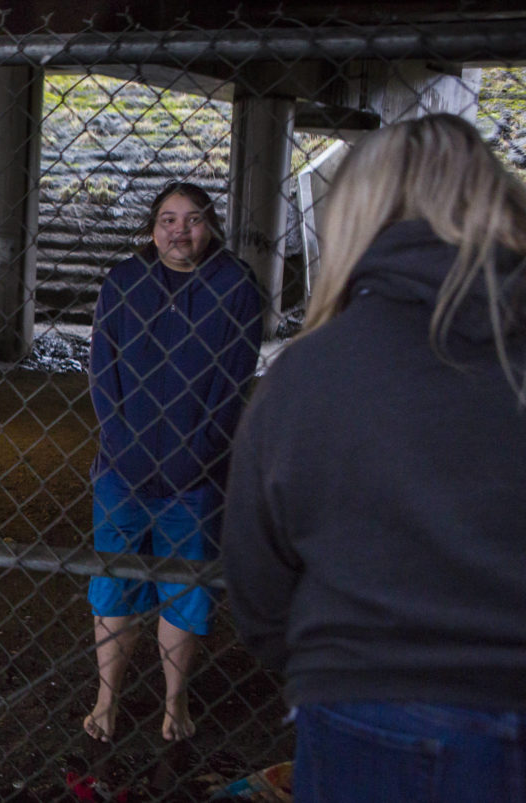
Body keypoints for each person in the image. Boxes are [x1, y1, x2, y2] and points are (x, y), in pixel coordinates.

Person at [222, 113, 526, 802]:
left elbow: (257, 583)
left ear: (356, 218)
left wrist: (332, 661)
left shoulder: (310, 373)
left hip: (369, 702)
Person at [85, 181, 262, 743]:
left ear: (211, 226)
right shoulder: (124, 282)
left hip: (196, 478)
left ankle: (174, 703)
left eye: (191, 219)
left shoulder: (235, 286)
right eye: (167, 218)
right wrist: (120, 446)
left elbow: (234, 381)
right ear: (152, 226)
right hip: (122, 473)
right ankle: (106, 701)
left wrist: (200, 454)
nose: (178, 230)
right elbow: (101, 372)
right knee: (115, 588)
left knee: (184, 593)